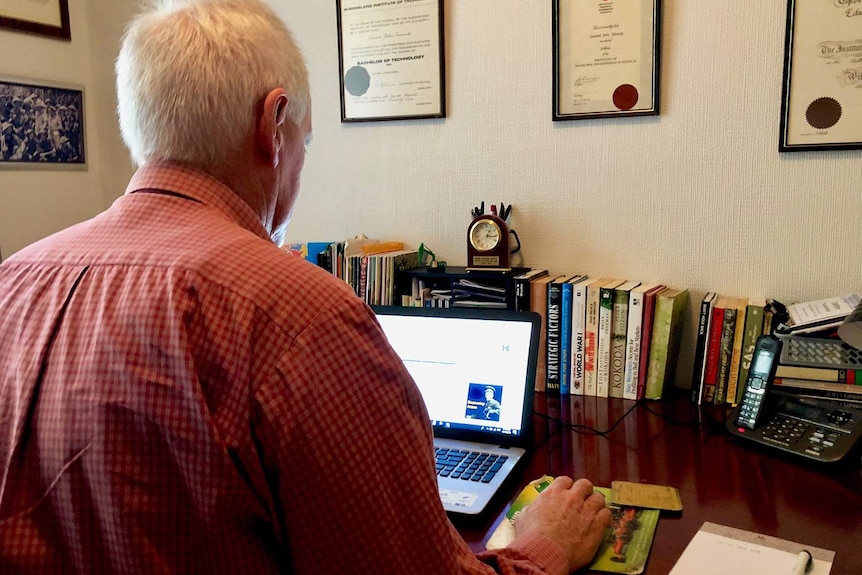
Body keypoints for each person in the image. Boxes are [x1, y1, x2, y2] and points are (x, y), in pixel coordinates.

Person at [0, 1, 611, 573]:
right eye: (307, 141)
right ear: (274, 121)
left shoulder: (13, 282)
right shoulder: (300, 315)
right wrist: (543, 546)